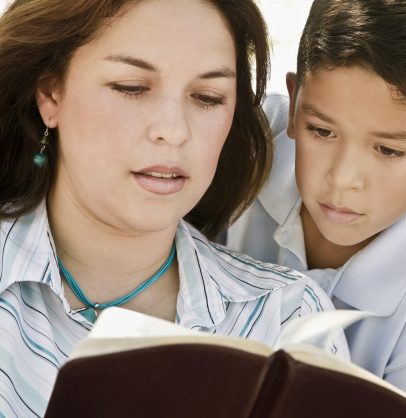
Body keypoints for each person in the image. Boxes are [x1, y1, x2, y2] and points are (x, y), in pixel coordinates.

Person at [0, 0, 348, 416]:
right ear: (50, 94)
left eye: (207, 97)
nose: (174, 130)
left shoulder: (287, 318)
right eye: (131, 87)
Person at [227, 0, 406, 416]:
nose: (343, 178)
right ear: (295, 105)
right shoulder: (244, 144)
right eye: (322, 131)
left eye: (388, 150)